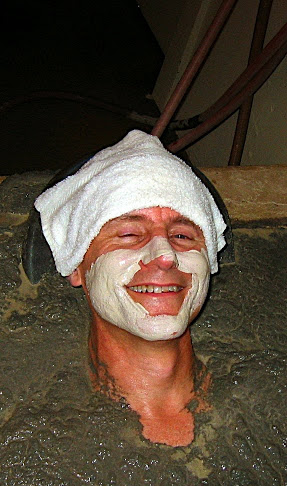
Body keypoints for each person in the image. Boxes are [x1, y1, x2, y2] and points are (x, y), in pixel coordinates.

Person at [34, 130, 227, 447]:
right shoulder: (50, 439)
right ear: (78, 266)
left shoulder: (270, 400)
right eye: (128, 235)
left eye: (182, 236)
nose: (165, 257)